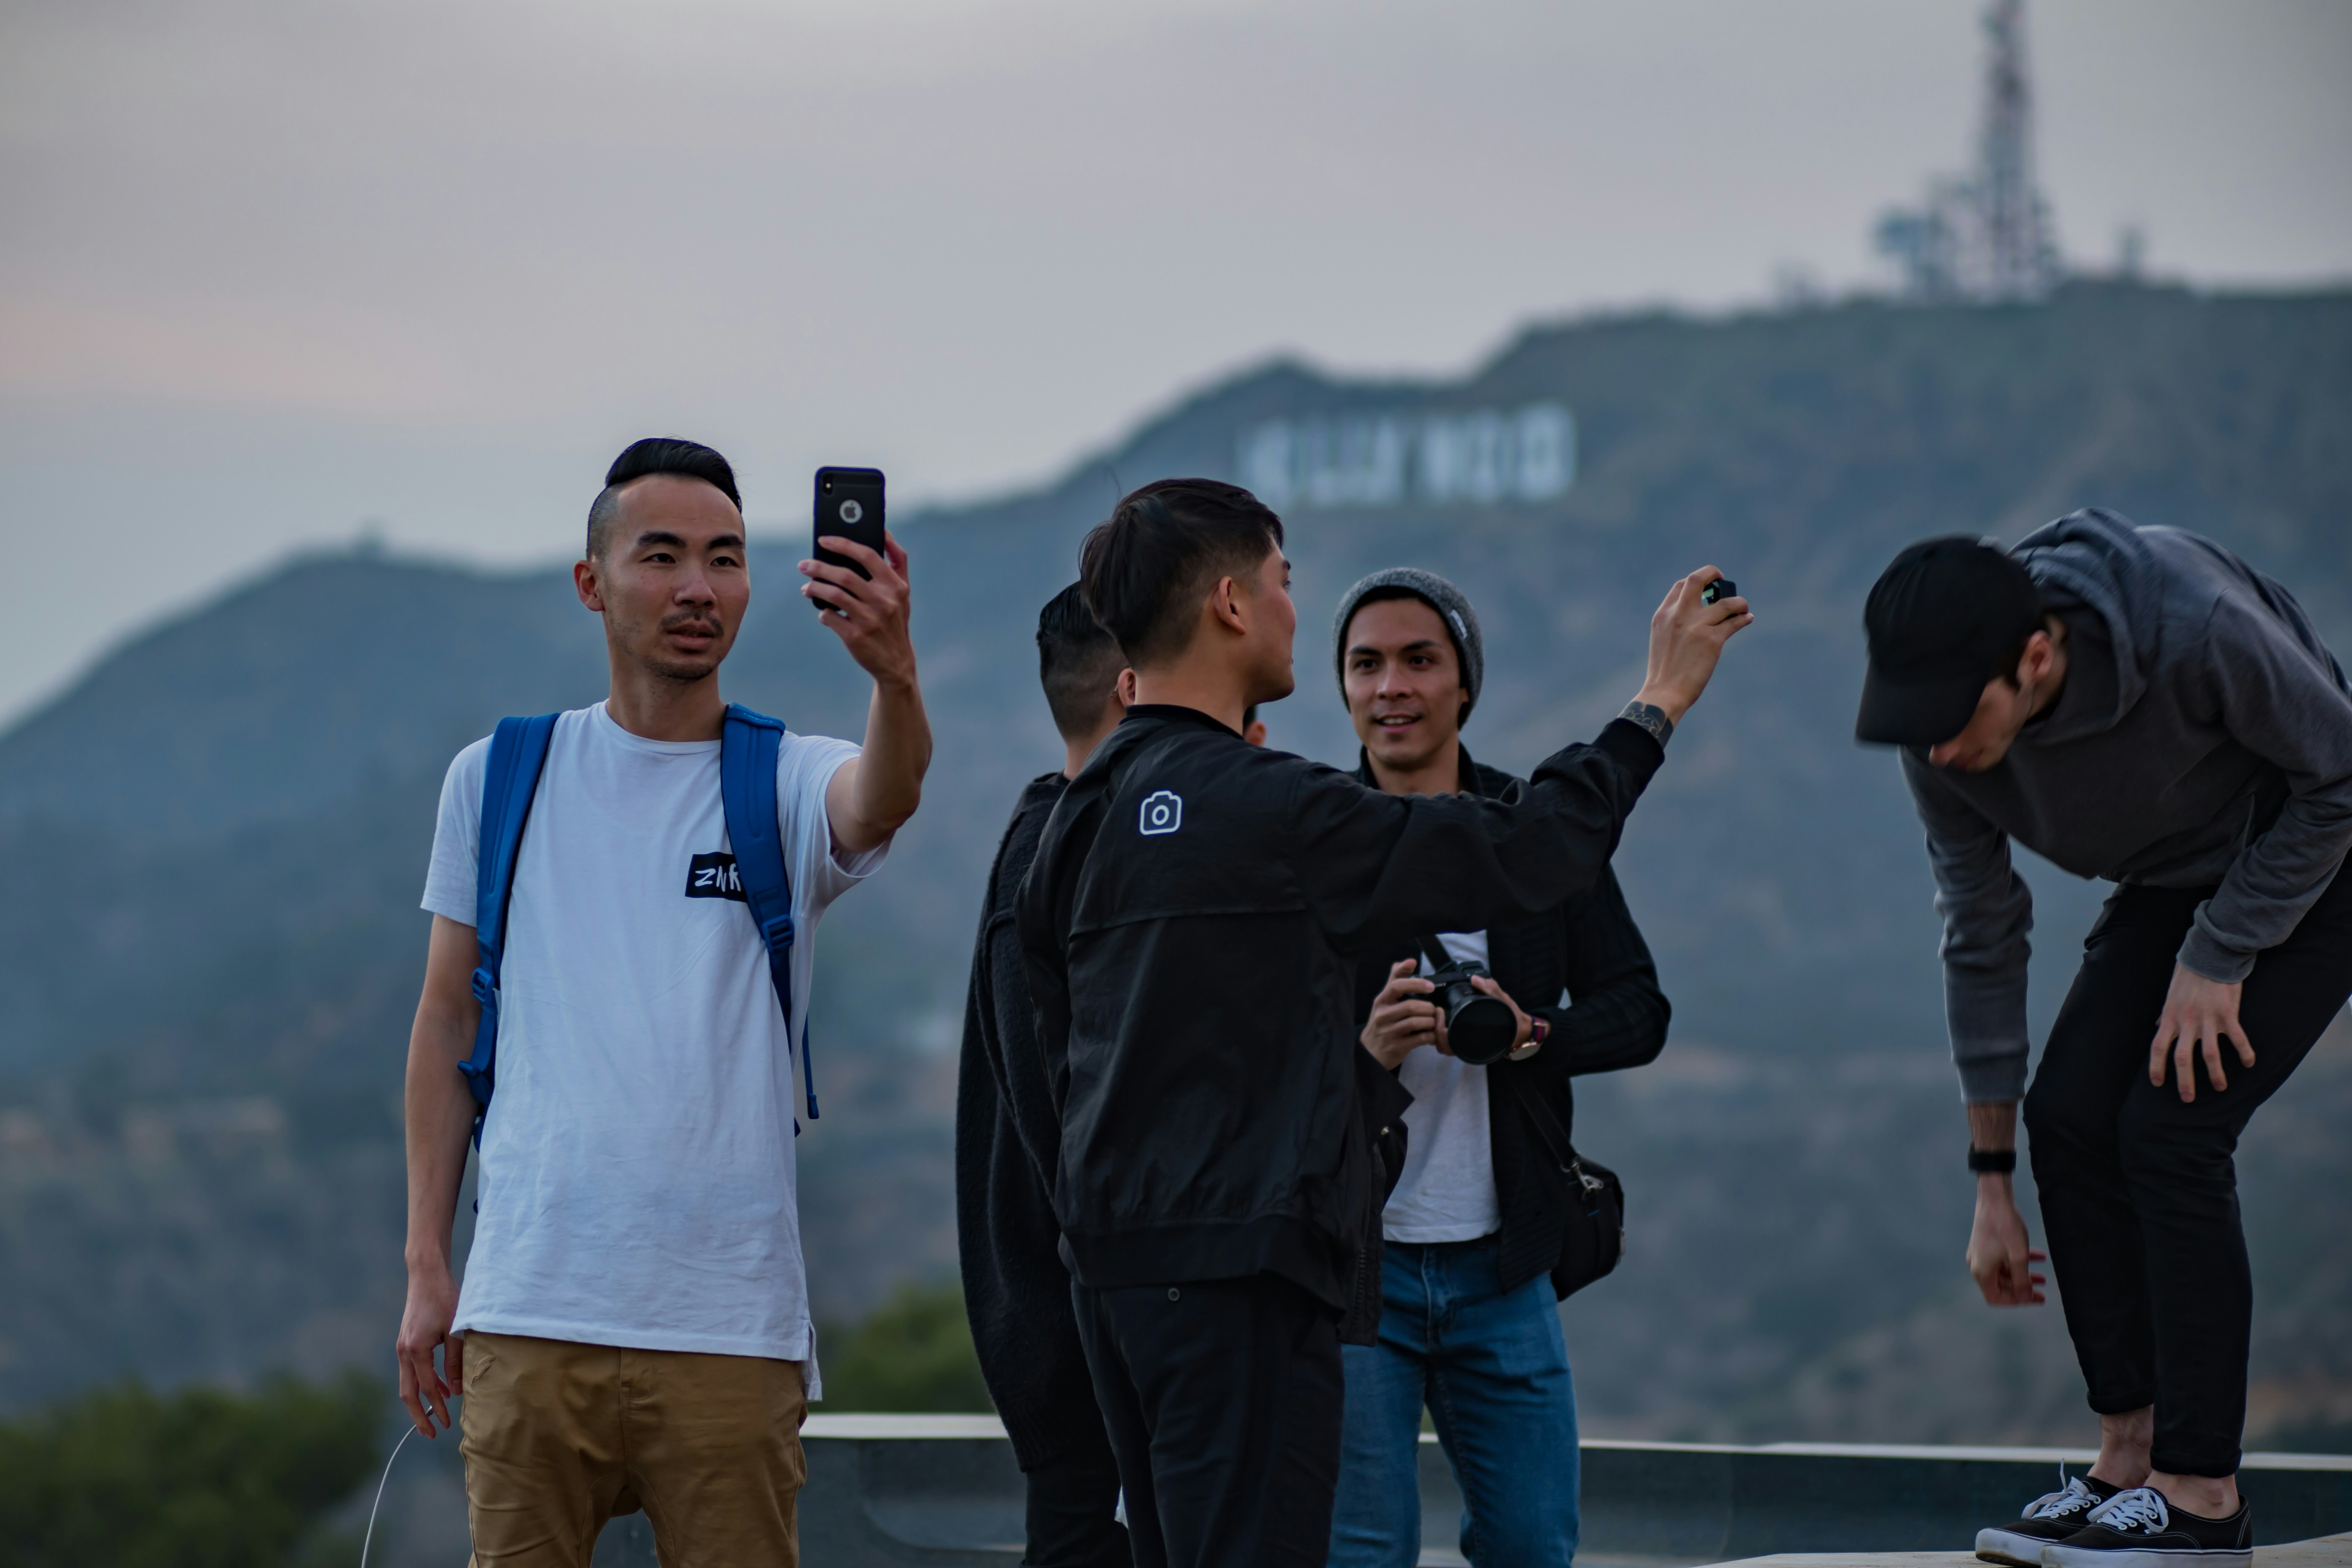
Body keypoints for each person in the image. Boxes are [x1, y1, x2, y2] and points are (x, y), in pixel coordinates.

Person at [1018, 478, 1749, 1568]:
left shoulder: (1075, 815)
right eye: (1282, 583)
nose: (1288, 609)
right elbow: (1522, 852)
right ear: (1228, 603)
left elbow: (1047, 1069)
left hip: (1113, 1284)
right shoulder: (1275, 805)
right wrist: (1656, 703)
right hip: (1246, 1288)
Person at [396, 437, 933, 1566]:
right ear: (592, 583)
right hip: (530, 1316)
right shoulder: (498, 776)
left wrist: (892, 671)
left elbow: (881, 800)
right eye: (664, 556)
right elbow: (447, 1022)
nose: (699, 587)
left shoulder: (782, 777)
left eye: (727, 559)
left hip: (727, 1331)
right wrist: (426, 1264)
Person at [1856, 512, 2352, 1568]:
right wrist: (1990, 1180)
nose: (1938, 748)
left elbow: (2340, 775)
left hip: (2313, 850)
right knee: (2068, 1115)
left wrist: (2220, 955)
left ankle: (2202, 1500)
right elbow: (1981, 933)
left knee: (2169, 1127)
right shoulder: (1933, 732)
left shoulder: (2190, 622)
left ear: (2035, 656)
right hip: (2172, 871)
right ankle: (2127, 1461)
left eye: (1953, 717)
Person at [1326, 569, 1670, 1568]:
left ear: (1463, 683)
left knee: (1531, 1545)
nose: (1390, 686)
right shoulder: (1311, 836)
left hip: (1504, 1261)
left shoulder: (1535, 837)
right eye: (1365, 663)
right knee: (1361, 1553)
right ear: (1342, 688)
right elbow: (1251, 1052)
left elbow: (1639, 1009)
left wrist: (1533, 1034)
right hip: (1357, 1266)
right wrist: (1368, 1051)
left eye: (1418, 660)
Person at [957, 583, 1135, 1568]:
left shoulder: (1059, 839)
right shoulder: (1053, 868)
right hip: (1084, 1348)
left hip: (1085, 1336)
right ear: (1132, 686)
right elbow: (1058, 1125)